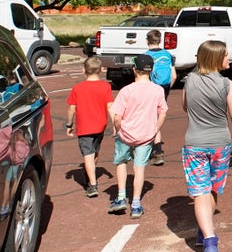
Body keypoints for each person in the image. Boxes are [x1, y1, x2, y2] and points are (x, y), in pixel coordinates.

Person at [182, 40, 232, 252]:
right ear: (217, 59)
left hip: (194, 142)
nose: (229, 58)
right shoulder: (227, 84)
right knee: (213, 188)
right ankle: (209, 238)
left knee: (200, 190)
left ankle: (205, 234)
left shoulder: (190, 80)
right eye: (226, 55)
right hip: (219, 142)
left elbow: (185, 106)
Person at [108, 53, 167, 218]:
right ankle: (135, 203)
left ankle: (120, 198)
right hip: (146, 134)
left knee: (121, 162)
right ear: (151, 70)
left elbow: (117, 115)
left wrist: (118, 128)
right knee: (139, 167)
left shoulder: (127, 90)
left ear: (135, 70)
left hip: (126, 133)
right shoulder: (157, 90)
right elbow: (162, 112)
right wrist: (155, 129)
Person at [65, 56, 114, 198]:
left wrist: (69, 124)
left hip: (84, 126)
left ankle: (92, 185)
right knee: (94, 151)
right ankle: (90, 176)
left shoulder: (78, 88)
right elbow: (110, 106)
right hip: (100, 125)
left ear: (83, 70)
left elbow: (71, 109)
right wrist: (116, 125)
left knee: (88, 154)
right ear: (102, 70)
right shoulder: (105, 86)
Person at [143, 29, 175, 166]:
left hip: (151, 89)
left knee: (150, 118)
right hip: (164, 88)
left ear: (147, 41)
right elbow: (173, 75)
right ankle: (157, 150)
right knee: (157, 117)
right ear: (160, 40)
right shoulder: (167, 55)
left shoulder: (145, 56)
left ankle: (154, 150)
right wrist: (167, 89)